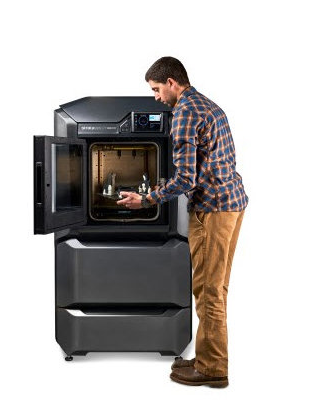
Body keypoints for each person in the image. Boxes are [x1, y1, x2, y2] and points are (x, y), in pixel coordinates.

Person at [117, 56, 248, 388]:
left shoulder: (185, 113)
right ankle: (207, 357)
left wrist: (147, 198)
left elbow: (186, 179)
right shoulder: (208, 105)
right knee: (216, 288)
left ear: (172, 83)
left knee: (208, 291)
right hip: (232, 203)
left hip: (212, 210)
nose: (156, 98)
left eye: (156, 89)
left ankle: (213, 369)